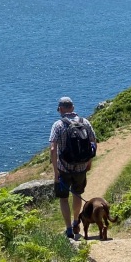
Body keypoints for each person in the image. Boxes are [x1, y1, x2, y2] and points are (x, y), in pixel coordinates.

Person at [49, 96, 97, 240]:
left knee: (64, 199)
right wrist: (89, 162)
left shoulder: (58, 125)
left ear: (61, 109)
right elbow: (93, 143)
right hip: (81, 167)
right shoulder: (85, 122)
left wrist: (56, 171)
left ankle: (69, 229)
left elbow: (52, 148)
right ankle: (76, 222)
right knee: (77, 194)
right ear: (73, 108)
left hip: (63, 168)